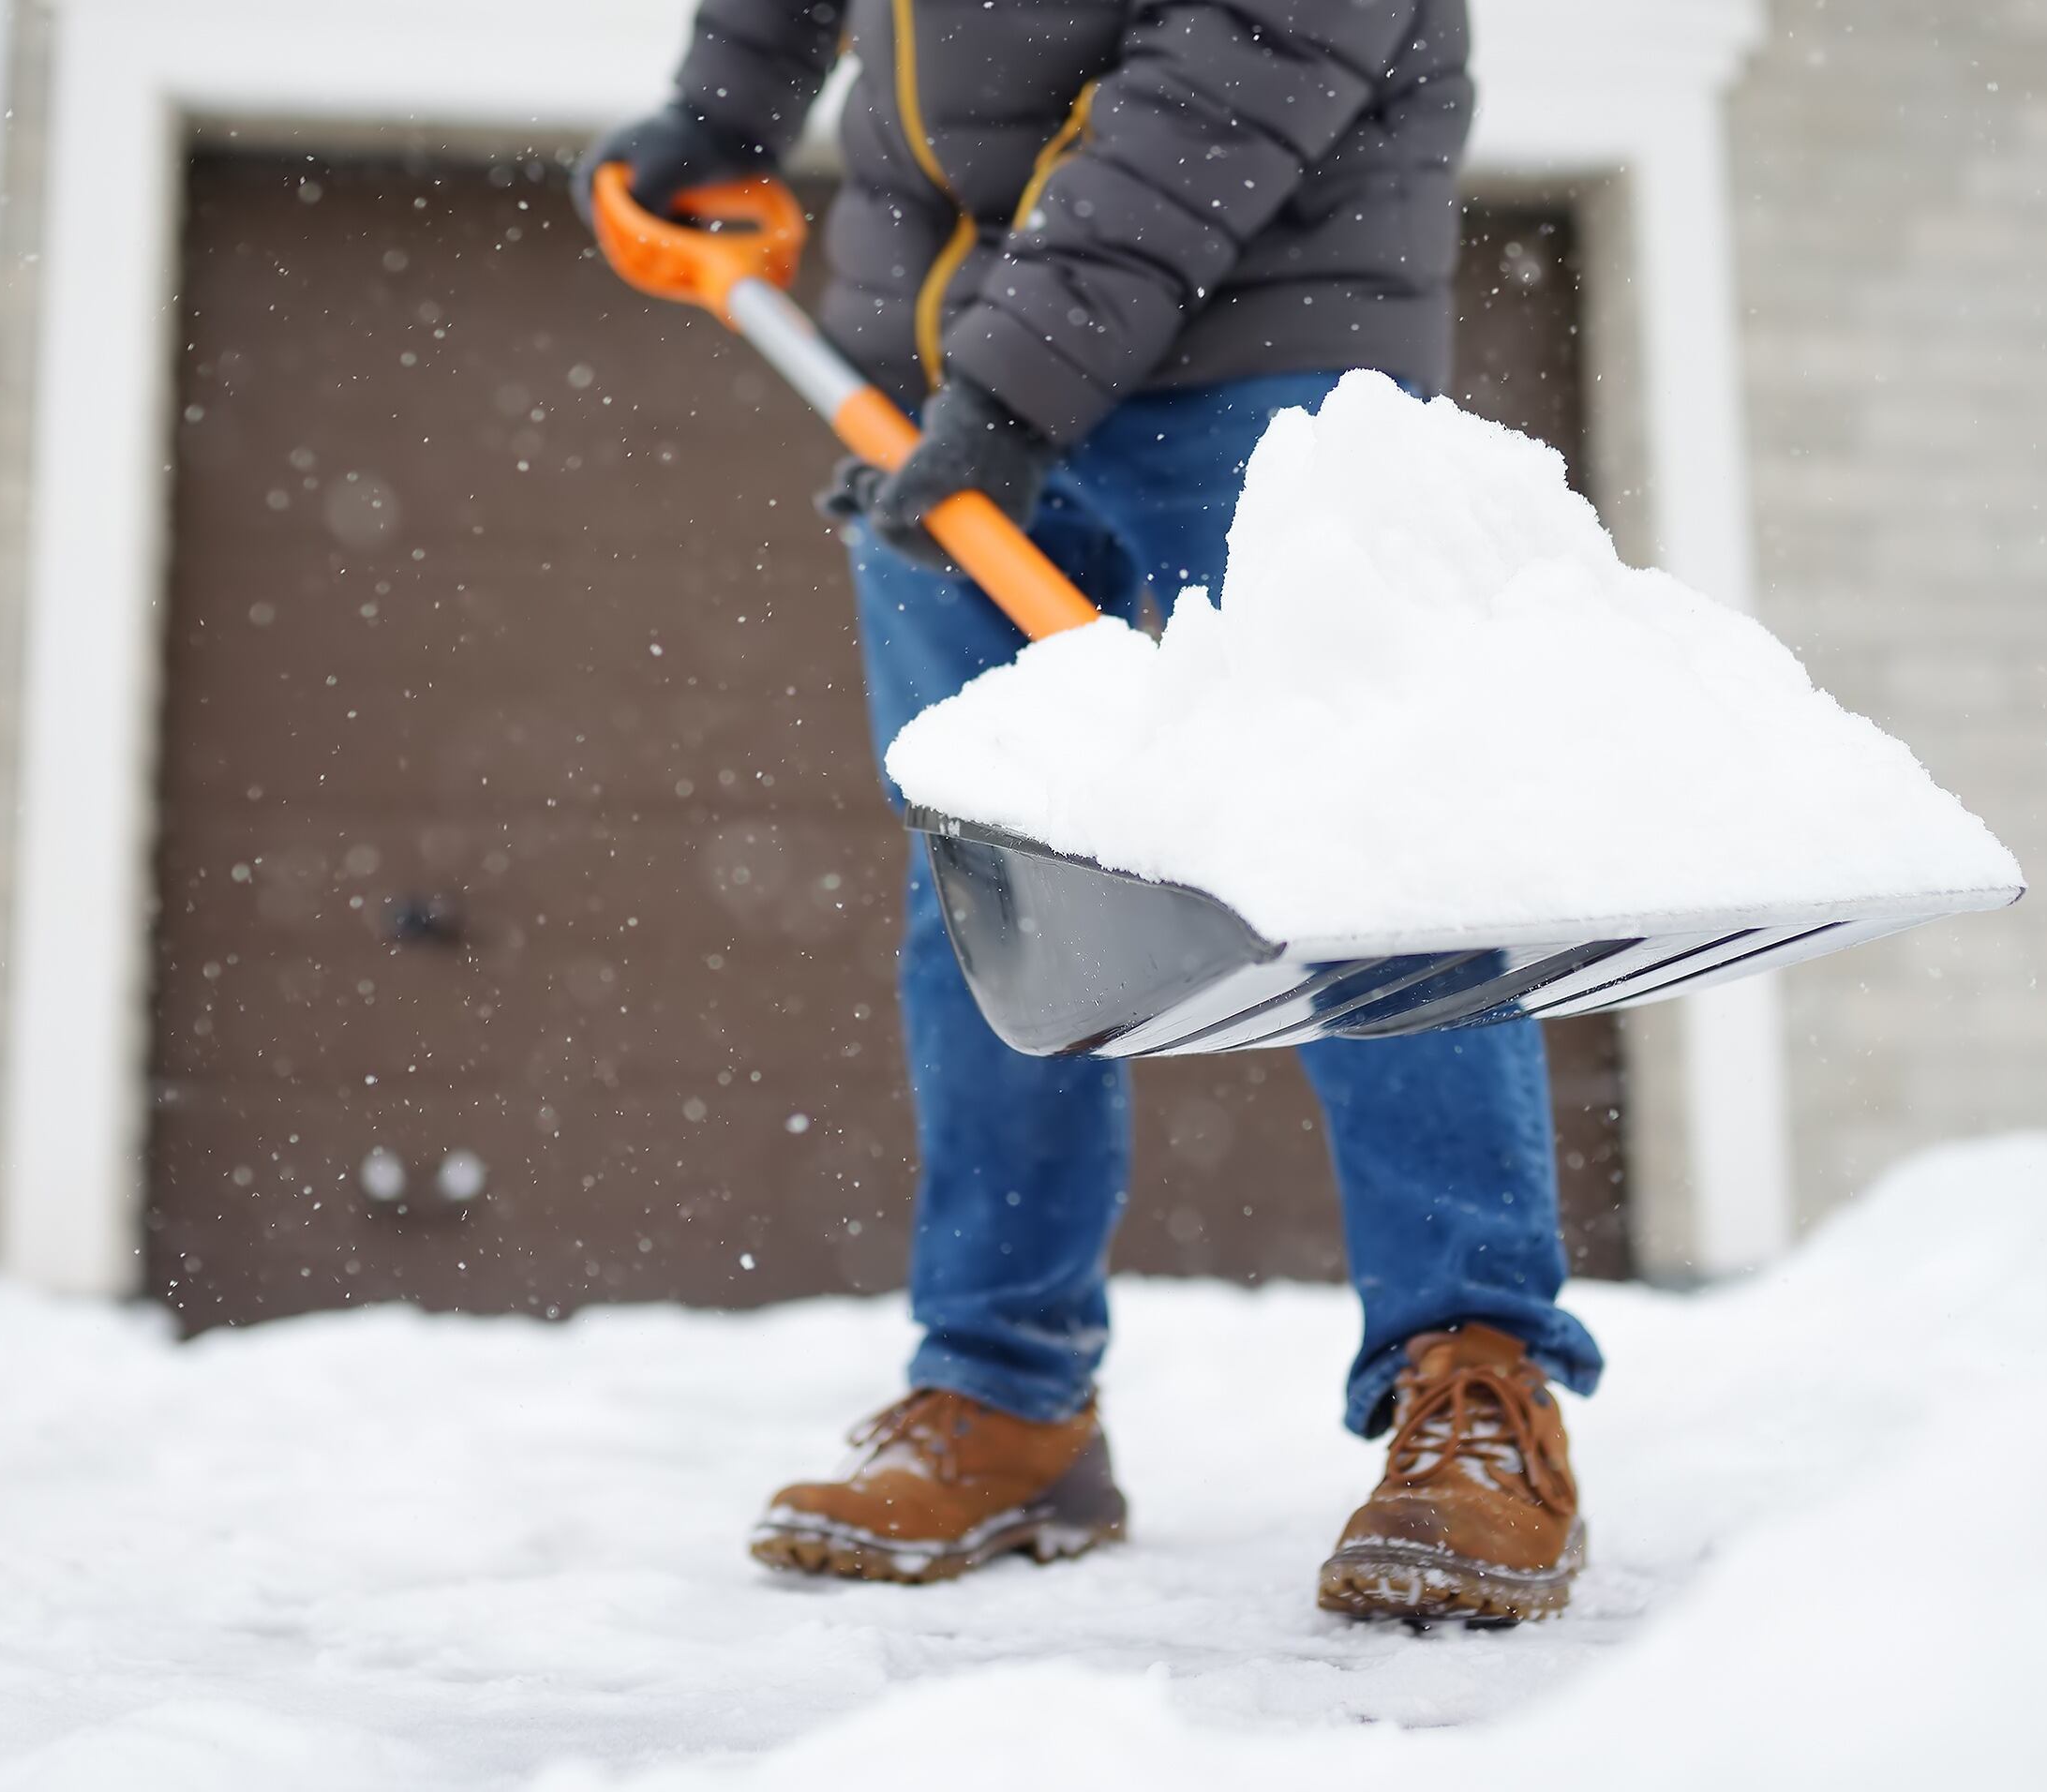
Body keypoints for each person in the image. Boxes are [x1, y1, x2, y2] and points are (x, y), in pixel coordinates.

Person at [576, 0, 1601, 1625]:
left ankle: (1471, 1383)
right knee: (994, 886)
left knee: (1373, 848)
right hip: (937, 352)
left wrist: (1013, 380)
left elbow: (1245, 51)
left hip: (1263, 336)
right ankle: (1004, 1392)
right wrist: (727, 105)